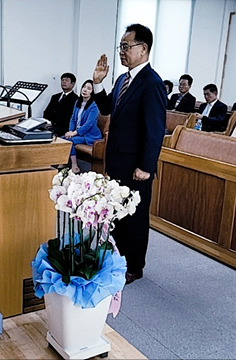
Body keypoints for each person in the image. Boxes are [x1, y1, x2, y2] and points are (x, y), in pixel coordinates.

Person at [92, 24, 166, 285]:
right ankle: (119, 258)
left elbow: (155, 129)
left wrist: (146, 166)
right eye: (121, 46)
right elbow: (107, 106)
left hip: (136, 166)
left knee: (135, 217)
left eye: (126, 46)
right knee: (118, 214)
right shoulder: (124, 79)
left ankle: (135, 266)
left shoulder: (152, 83)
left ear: (143, 49)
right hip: (118, 161)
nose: (122, 51)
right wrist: (98, 84)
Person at [62, 80, 101, 174]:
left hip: (89, 135)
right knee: (62, 139)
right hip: (78, 133)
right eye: (84, 87)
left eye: (89, 88)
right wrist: (70, 131)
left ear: (93, 92)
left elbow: (89, 124)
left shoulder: (94, 105)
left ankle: (74, 164)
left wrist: (74, 133)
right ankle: (63, 162)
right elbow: (73, 119)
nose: (85, 90)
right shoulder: (77, 102)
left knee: (69, 141)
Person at [43, 73, 78, 137]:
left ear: (73, 84)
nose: (63, 82)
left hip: (63, 128)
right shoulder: (55, 97)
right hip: (50, 125)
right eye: (62, 80)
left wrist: (52, 124)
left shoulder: (75, 99)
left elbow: (69, 117)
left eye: (66, 80)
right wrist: (46, 122)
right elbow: (46, 112)